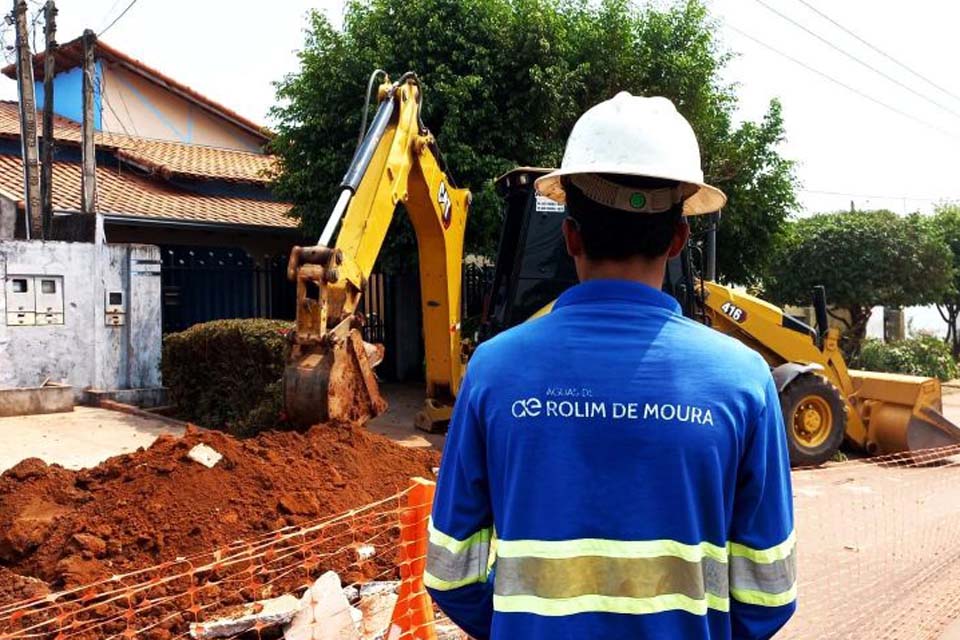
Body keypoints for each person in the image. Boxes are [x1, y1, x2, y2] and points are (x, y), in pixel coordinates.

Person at [425, 93, 796, 640]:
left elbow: (451, 576)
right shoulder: (745, 381)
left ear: (571, 234)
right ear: (678, 237)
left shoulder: (492, 370)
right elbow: (768, 596)